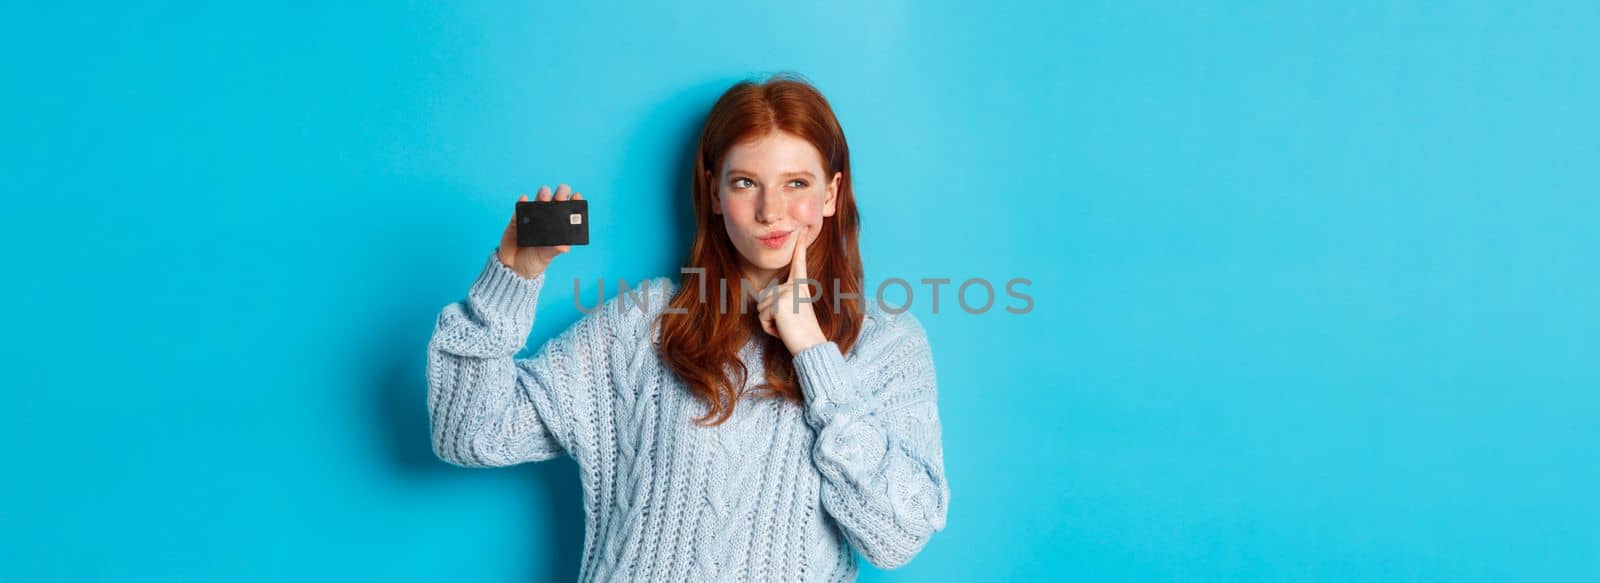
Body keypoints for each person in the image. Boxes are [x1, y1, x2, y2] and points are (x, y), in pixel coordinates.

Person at [426, 73, 949, 581]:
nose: (771, 211)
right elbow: (470, 433)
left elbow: (898, 538)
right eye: (746, 183)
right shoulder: (642, 324)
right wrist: (514, 276)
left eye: (796, 183)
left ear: (831, 195)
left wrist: (812, 351)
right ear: (715, 193)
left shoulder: (886, 345)